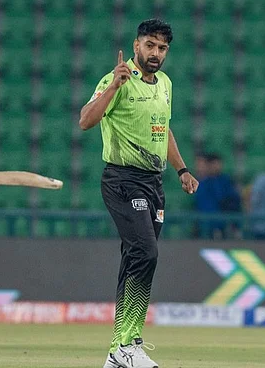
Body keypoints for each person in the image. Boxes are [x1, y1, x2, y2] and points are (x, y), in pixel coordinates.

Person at [79, 19, 198, 368]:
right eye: (150, 45)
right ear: (136, 45)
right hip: (122, 180)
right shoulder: (116, 78)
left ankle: (122, 348)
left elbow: (163, 130)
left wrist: (182, 169)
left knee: (140, 258)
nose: (156, 53)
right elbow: (86, 120)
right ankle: (124, 344)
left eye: (162, 48)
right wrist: (114, 85)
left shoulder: (165, 85)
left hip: (153, 182)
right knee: (145, 252)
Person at [193, 153, 241, 239]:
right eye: (214, 164)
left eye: (219, 164)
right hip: (205, 223)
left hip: (222, 223)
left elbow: (232, 200)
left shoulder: (225, 181)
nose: (217, 167)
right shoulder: (202, 183)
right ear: (209, 165)